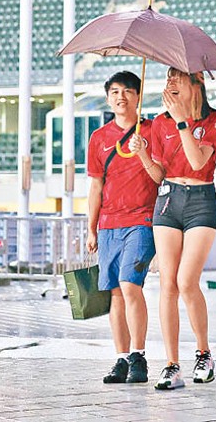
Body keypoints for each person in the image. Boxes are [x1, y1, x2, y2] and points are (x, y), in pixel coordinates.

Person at [129, 67, 216, 390]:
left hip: (201, 199)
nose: (170, 81)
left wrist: (183, 121)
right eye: (168, 76)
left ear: (196, 84)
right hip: (168, 200)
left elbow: (198, 161)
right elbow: (159, 175)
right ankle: (171, 365)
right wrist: (144, 153)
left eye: (177, 76)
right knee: (168, 284)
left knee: (188, 281)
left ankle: (203, 353)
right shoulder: (159, 123)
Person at [86, 71, 158, 384]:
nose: (121, 97)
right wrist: (91, 228)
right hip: (108, 225)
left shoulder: (154, 131)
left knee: (131, 286)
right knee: (115, 293)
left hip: (141, 220)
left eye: (128, 91)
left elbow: (159, 177)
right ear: (107, 98)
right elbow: (95, 186)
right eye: (115, 92)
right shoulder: (99, 138)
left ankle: (138, 356)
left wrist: (143, 150)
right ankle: (121, 358)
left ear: (138, 96)